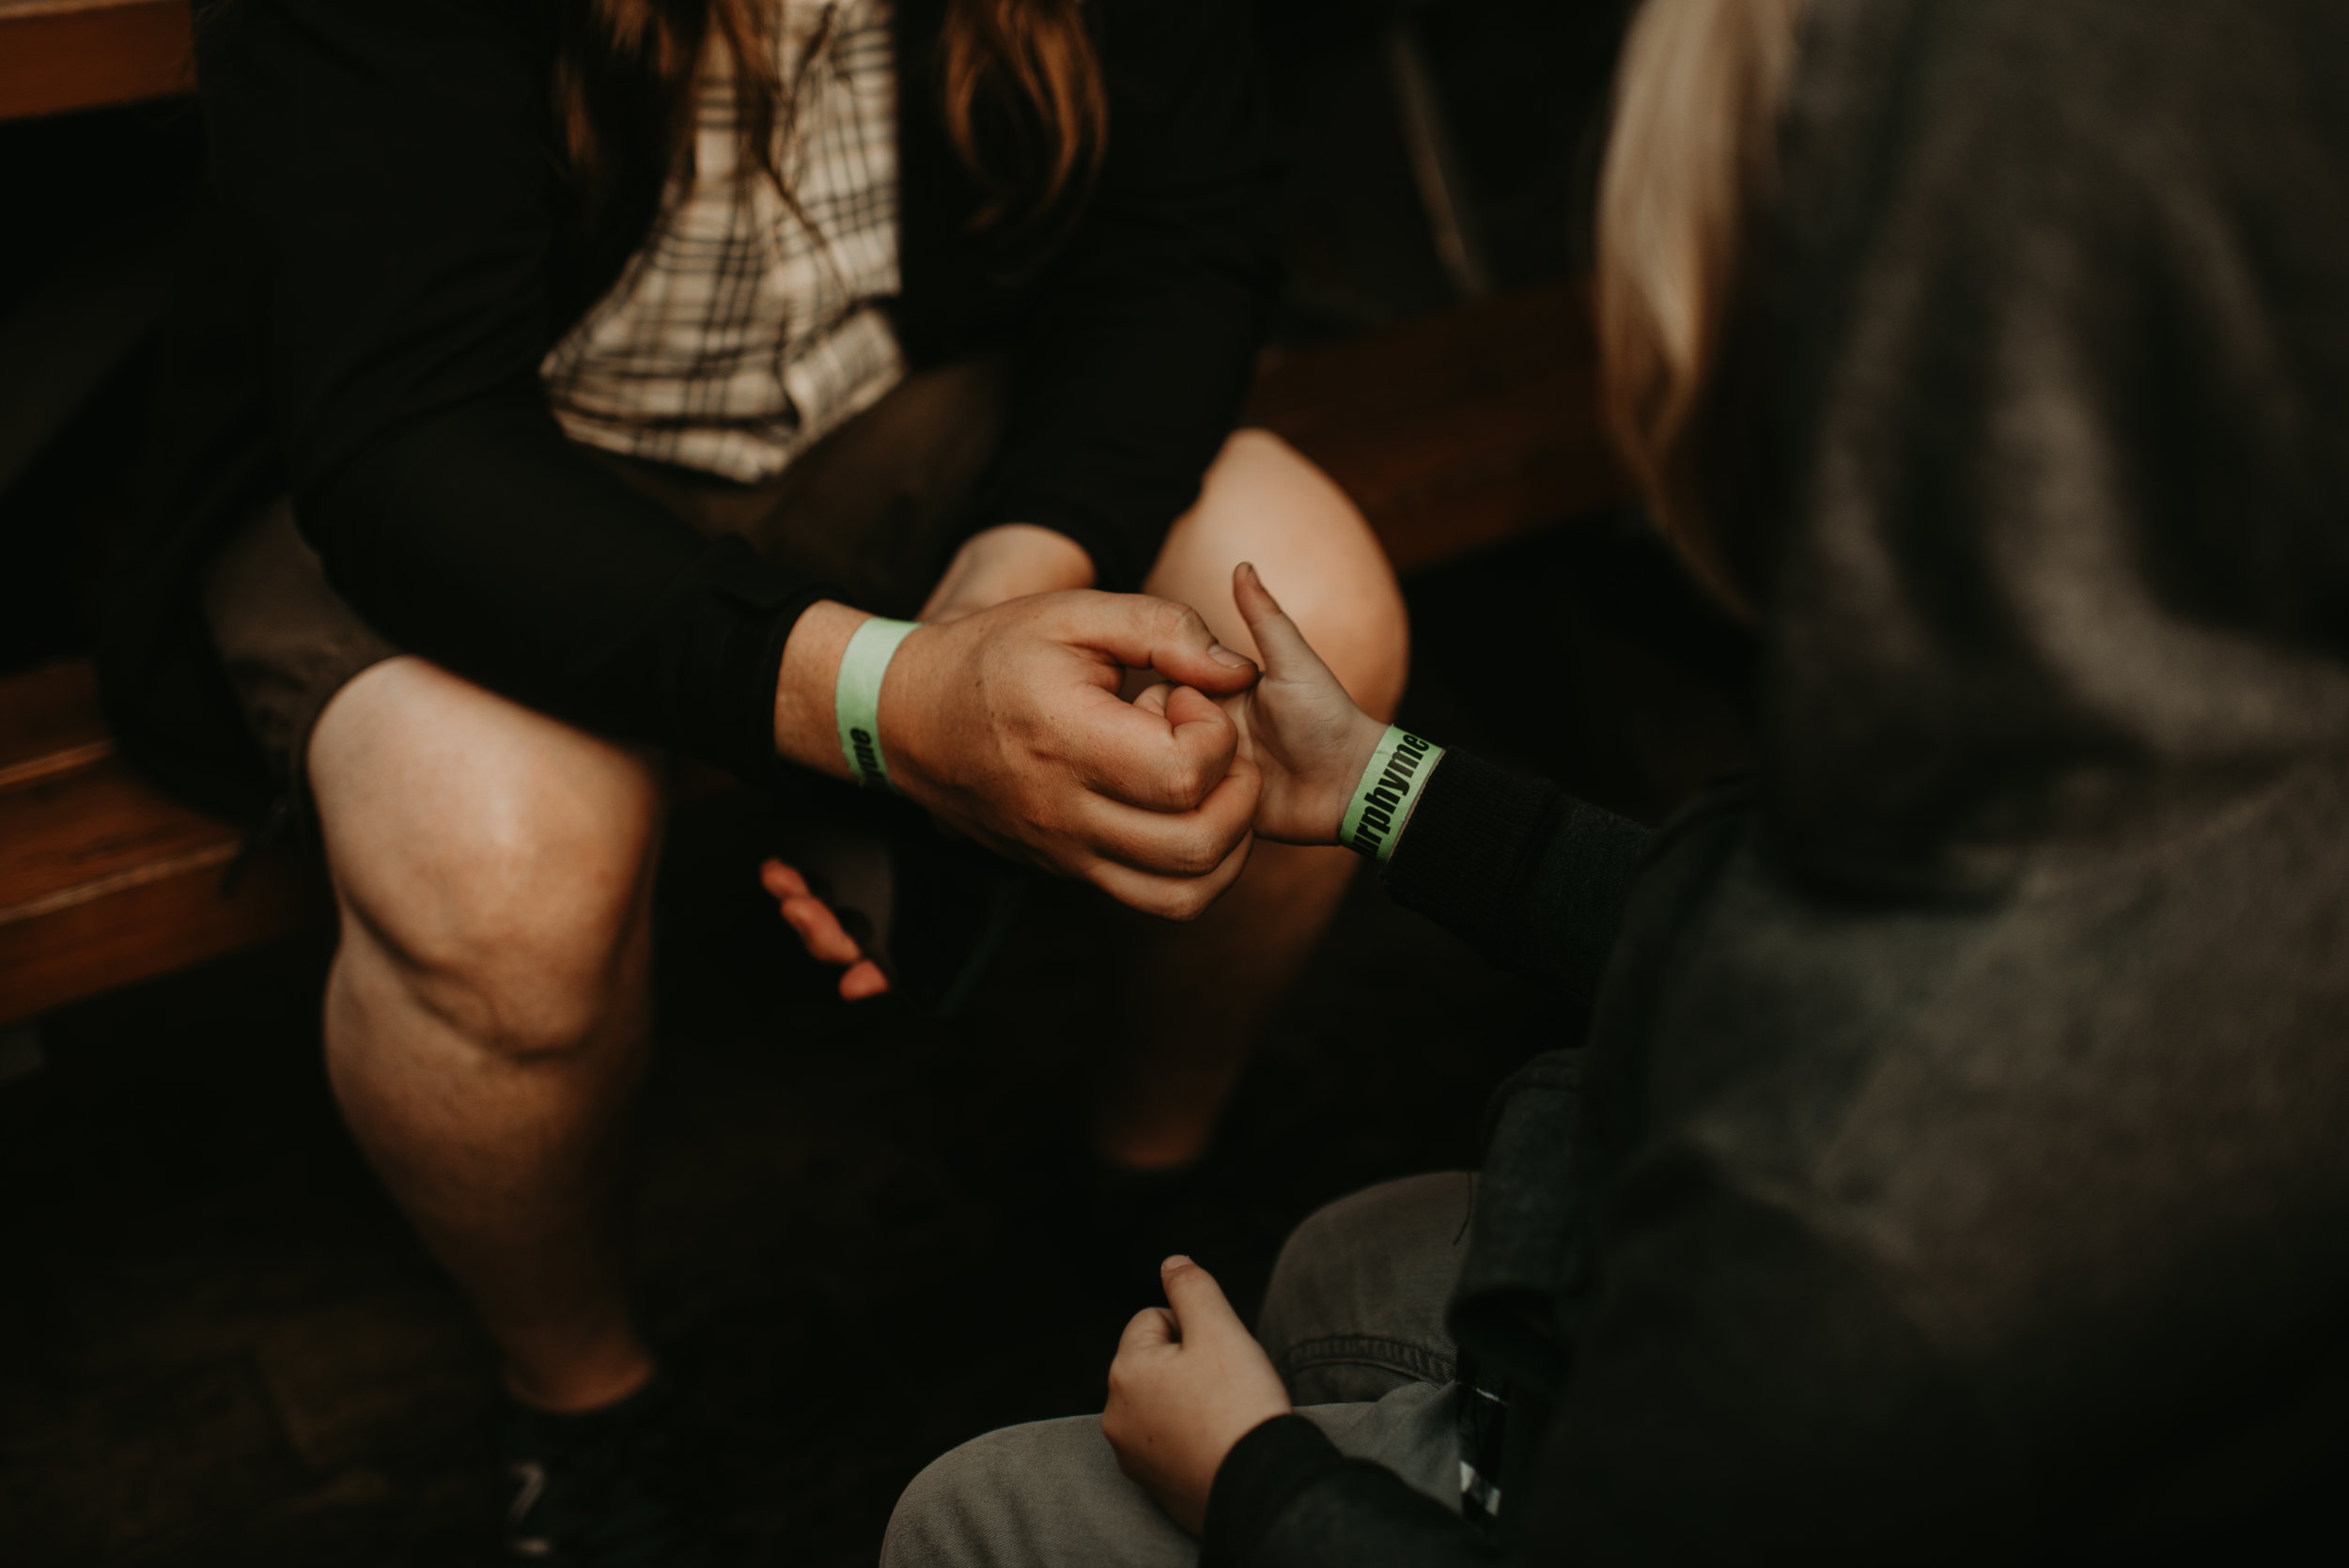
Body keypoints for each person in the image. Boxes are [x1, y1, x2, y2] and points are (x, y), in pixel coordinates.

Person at [880, 0, 2349, 1559]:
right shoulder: (2135, 741)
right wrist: (1376, 782)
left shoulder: (1838, 1235)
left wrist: (1253, 1478)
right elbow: (1722, 922)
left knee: (972, 1511)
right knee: (1341, 1259)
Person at [96, 0, 1405, 1559]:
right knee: (501, 866)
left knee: (1311, 619)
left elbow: (1186, 235)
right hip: (477, 448)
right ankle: (583, 1406)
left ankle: (1147, 1192)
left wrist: (1013, 574)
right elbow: (407, 438)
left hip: (884, 401)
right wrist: (890, 702)